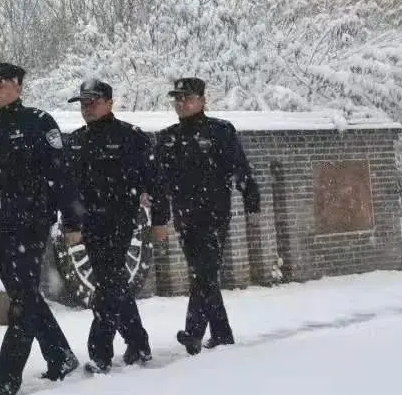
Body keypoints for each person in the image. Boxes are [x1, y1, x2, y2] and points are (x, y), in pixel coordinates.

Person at [0, 62, 82, 395]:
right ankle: (61, 355)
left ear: (18, 87)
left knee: (22, 301)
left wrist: (72, 219)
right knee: (23, 295)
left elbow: (61, 174)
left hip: (31, 223)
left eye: (0, 84)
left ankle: (7, 379)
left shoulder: (38, 124)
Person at [149, 77, 261, 356]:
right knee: (204, 274)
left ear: (202, 100)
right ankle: (222, 334)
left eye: (187, 98)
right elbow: (159, 184)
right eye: (177, 98)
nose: (181, 103)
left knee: (205, 271)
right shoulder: (167, 137)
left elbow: (240, 167)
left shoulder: (220, 131)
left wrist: (252, 201)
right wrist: (159, 218)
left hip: (214, 214)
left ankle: (194, 332)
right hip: (185, 216)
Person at [65, 79, 153, 373]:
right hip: (89, 223)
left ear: (109, 103)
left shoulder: (130, 137)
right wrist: (71, 223)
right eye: (83, 103)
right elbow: (68, 189)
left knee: (108, 284)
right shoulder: (75, 141)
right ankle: (139, 343)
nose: (87, 109)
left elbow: (153, 179)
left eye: (93, 102)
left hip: (120, 221)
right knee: (113, 284)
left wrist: (162, 217)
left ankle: (100, 352)